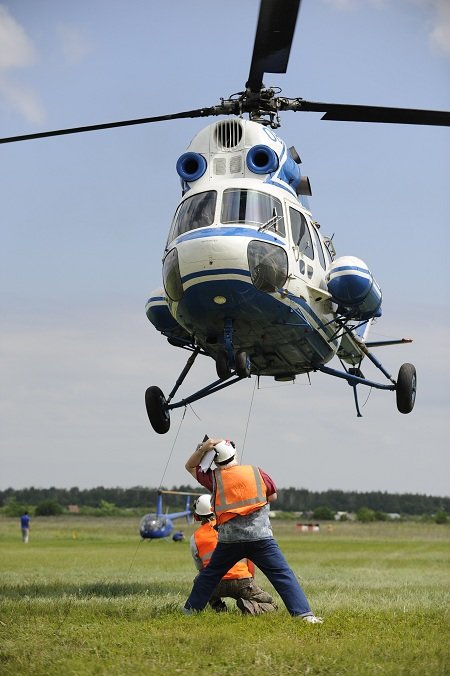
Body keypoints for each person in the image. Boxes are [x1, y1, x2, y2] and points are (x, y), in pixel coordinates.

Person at [183, 438, 323, 623]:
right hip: (261, 538)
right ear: (234, 454)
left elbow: (190, 467)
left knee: (210, 575)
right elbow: (272, 495)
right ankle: (304, 615)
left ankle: (189, 612)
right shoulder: (256, 472)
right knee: (282, 575)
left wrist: (203, 450)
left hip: (229, 541)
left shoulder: (215, 478)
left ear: (215, 460)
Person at [191, 494, 278, 615]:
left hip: (214, 582)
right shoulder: (233, 526)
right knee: (271, 605)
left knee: (199, 580)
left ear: (197, 516)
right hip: (241, 581)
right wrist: (250, 580)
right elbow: (249, 559)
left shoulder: (195, 537)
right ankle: (252, 607)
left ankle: (218, 607)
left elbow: (201, 569)